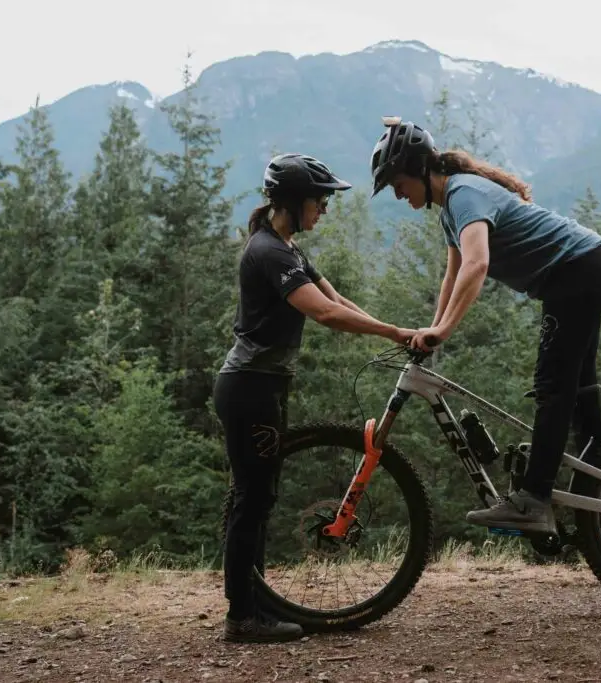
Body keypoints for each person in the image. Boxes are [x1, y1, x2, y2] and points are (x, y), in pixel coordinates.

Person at [370, 117, 601, 537]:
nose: (398, 194)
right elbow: (452, 277)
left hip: (577, 273)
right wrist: (432, 331)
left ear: (419, 168)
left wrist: (444, 330)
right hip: (586, 268)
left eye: (398, 183)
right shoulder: (451, 209)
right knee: (574, 386)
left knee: (552, 386)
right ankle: (599, 488)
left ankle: (534, 500)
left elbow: (477, 264)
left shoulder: (464, 195)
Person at [214, 153, 417, 644]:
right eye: (319, 201)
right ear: (292, 201)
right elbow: (323, 314)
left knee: (260, 496)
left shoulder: (285, 247)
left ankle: (256, 604)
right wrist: (394, 330)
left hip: (263, 386)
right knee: (251, 498)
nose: (324, 210)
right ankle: (243, 616)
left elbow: (337, 299)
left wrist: (395, 334)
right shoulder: (270, 252)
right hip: (250, 388)